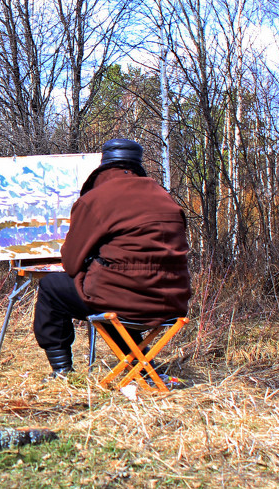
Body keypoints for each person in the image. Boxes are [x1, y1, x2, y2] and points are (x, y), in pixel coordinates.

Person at [33, 138, 192, 377]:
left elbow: (71, 263)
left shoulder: (95, 199)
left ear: (104, 168)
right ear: (136, 167)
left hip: (126, 302)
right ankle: (140, 366)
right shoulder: (164, 197)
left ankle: (62, 371)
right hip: (172, 303)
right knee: (117, 291)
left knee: (51, 288)